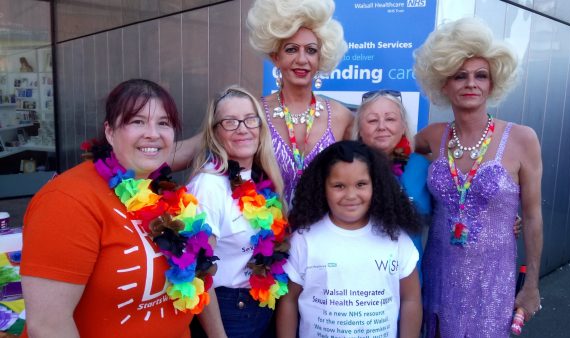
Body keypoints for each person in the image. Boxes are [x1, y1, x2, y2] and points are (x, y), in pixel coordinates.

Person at [20, 79, 217, 337]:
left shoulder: (167, 195)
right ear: (110, 132)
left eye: (164, 123)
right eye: (137, 121)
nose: (153, 133)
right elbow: (48, 326)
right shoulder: (67, 200)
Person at [412, 17, 543, 337]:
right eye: (460, 76)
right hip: (440, 271)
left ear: (493, 83)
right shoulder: (431, 137)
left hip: (492, 279)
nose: (471, 83)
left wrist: (531, 286)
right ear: (444, 83)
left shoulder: (522, 139)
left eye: (480, 75)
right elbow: (383, 150)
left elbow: (532, 215)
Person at [277, 140, 422, 338]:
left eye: (361, 184)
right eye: (339, 186)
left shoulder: (396, 238)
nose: (351, 195)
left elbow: (411, 299)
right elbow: (289, 301)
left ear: (375, 185)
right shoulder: (304, 240)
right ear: (323, 187)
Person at [186, 85, 289, 337]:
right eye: (230, 122)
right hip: (227, 312)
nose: (242, 128)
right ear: (215, 133)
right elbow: (197, 272)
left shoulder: (259, 179)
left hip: (260, 306)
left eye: (250, 120)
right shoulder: (208, 186)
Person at [246, 0, 354, 205]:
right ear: (276, 57)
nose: (302, 59)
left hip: (322, 232)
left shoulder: (342, 116)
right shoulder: (254, 111)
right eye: (292, 49)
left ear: (320, 59)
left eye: (311, 50)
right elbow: (208, 144)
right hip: (265, 231)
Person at [353, 89, 432, 282]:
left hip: (407, 282)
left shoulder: (423, 167)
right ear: (360, 131)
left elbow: (449, 213)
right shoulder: (348, 168)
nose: (382, 127)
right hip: (356, 281)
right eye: (372, 120)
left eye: (390, 119)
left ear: (403, 126)